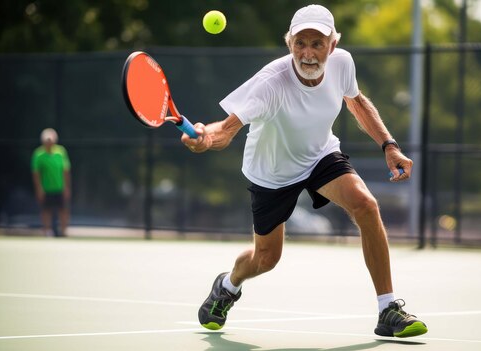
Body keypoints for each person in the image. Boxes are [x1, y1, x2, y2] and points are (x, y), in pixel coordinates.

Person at [181, 4, 427, 338]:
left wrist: (389, 145)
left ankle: (387, 309)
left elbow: (355, 101)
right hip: (272, 172)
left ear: (333, 46)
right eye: (300, 43)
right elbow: (225, 130)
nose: (308, 53)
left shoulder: (343, 64)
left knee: (366, 205)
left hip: (319, 156)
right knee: (266, 259)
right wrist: (204, 139)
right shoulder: (270, 84)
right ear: (289, 44)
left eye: (317, 43)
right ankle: (227, 285)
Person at [31, 128, 71, 237]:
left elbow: (66, 170)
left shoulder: (61, 152)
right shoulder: (38, 154)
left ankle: (64, 231)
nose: (49, 143)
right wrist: (39, 188)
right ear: (43, 141)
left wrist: (67, 187)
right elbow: (36, 173)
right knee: (46, 210)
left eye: (51, 140)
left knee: (63, 209)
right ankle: (47, 231)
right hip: (46, 188)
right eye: (47, 140)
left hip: (60, 187)